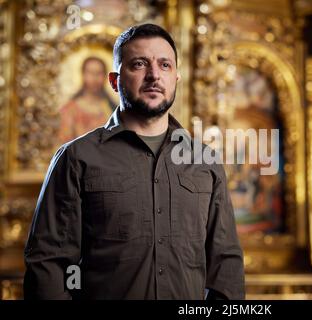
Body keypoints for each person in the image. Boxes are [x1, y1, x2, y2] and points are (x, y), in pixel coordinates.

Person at [23, 23, 245, 300]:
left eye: (165, 65)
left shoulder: (204, 162)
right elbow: (49, 264)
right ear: (115, 80)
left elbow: (226, 265)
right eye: (139, 64)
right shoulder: (76, 158)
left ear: (176, 78)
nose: (154, 75)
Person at [58, 56, 116, 143]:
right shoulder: (70, 109)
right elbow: (64, 144)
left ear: (105, 76)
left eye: (99, 73)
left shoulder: (112, 109)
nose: (94, 78)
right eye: (90, 72)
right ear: (83, 75)